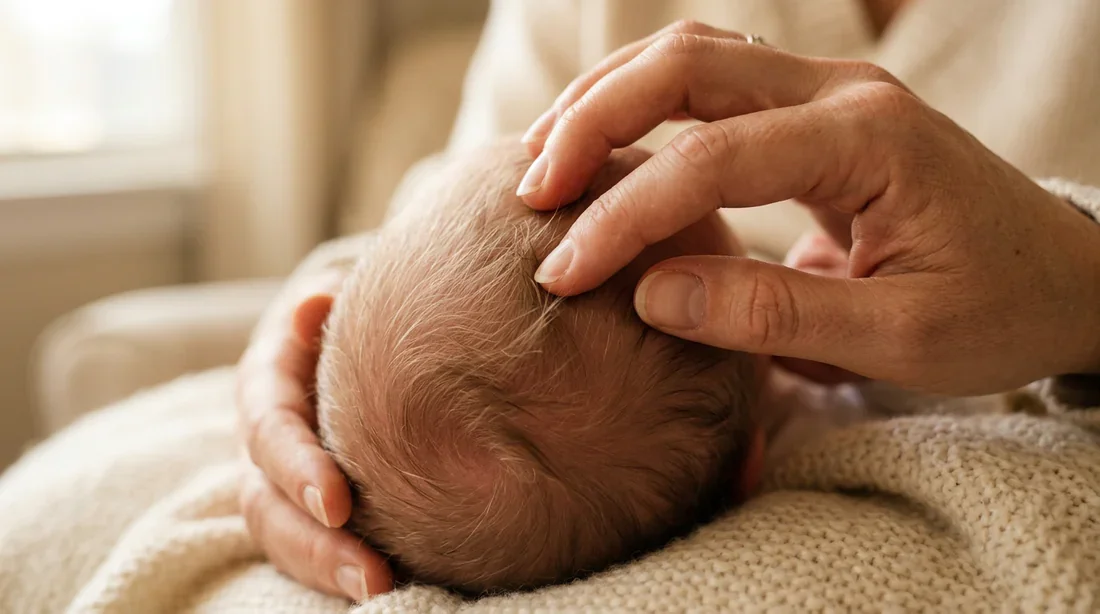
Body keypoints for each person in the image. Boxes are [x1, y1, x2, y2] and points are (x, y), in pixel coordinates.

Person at [237, 0, 1100, 601]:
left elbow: (463, 218)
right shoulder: (858, 405)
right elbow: (445, 222)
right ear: (753, 464)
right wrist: (339, 298)